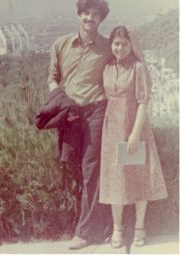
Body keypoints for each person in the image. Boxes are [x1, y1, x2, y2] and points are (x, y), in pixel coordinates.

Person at [47, 0, 112, 249]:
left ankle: (84, 232)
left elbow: (128, 59)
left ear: (101, 19)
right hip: (70, 115)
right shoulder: (61, 44)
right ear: (78, 15)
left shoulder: (107, 47)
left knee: (91, 168)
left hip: (96, 112)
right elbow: (52, 78)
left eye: (95, 15)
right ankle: (98, 225)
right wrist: (63, 101)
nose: (89, 19)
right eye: (86, 13)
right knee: (72, 166)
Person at [99, 26, 168, 248]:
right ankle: (117, 228)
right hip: (112, 131)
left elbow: (143, 101)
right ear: (111, 45)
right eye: (117, 44)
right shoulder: (107, 68)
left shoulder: (138, 68)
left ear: (132, 45)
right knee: (115, 179)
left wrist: (135, 134)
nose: (120, 48)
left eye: (125, 44)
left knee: (139, 177)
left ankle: (140, 227)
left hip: (134, 128)